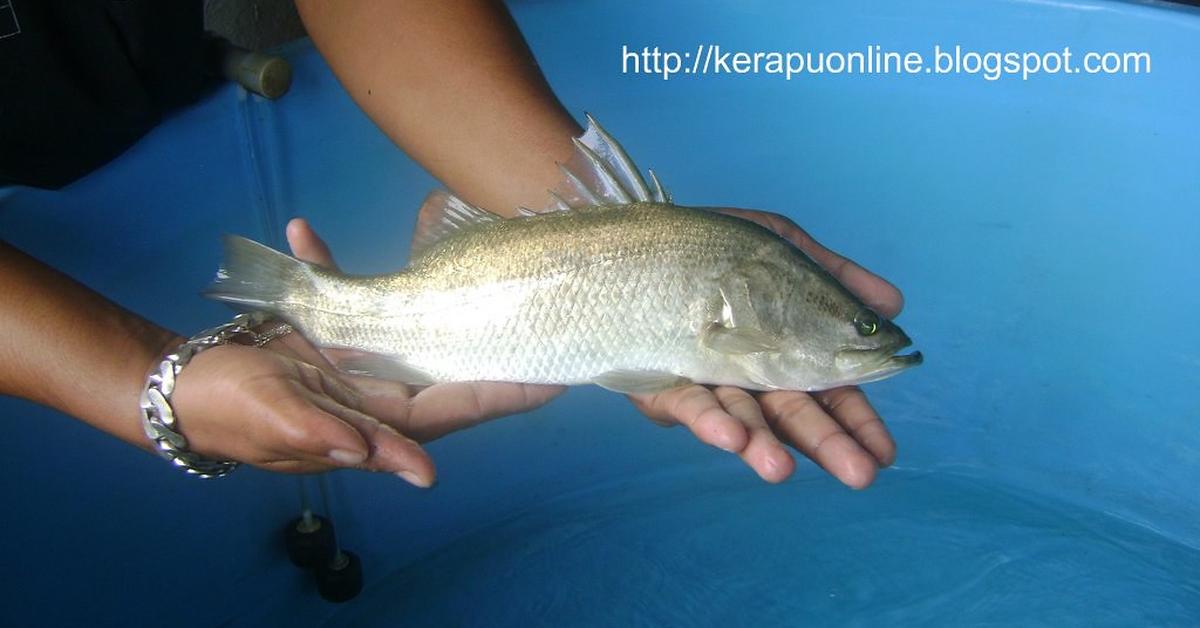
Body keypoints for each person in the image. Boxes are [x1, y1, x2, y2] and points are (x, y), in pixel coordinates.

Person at [0, 1, 903, 489]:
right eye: (857, 332)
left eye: (857, 334)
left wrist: (551, 195)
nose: (870, 342)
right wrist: (147, 380)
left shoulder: (736, 272)